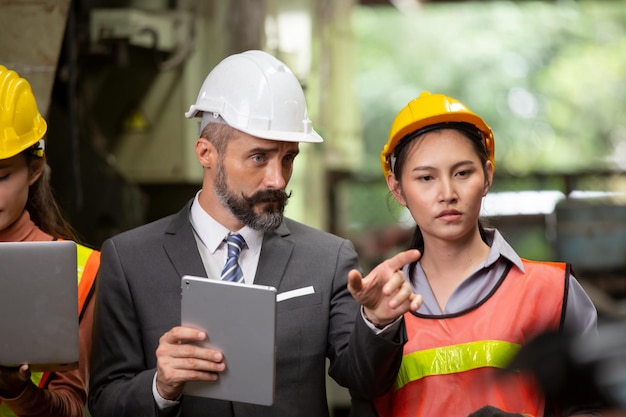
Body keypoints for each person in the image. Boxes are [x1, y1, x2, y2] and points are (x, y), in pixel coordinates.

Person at [87, 50, 421, 417]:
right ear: (206, 153)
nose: (277, 179)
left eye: (288, 158)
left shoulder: (327, 258)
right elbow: (105, 402)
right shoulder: (129, 260)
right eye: (259, 157)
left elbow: (365, 381)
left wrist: (376, 322)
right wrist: (160, 387)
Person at [369, 91, 599, 417]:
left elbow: (590, 407)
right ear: (397, 188)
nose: (447, 194)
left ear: (487, 176)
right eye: (425, 178)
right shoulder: (380, 309)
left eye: (463, 173)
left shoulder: (551, 291)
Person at [0, 65, 100, 417]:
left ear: (34, 169)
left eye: (0, 176)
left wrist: (16, 391)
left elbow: (71, 406)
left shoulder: (82, 270)